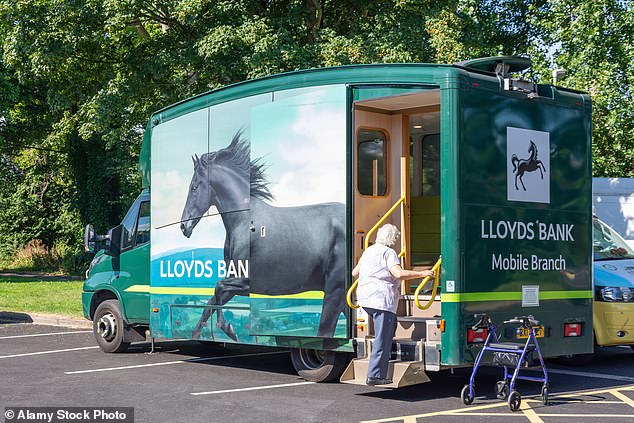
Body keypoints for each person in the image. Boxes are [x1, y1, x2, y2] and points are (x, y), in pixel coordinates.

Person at [351, 223, 434, 386]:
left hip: (365, 299)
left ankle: (381, 362)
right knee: (382, 338)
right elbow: (397, 273)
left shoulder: (369, 251)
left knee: (389, 328)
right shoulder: (389, 253)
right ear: (393, 239)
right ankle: (375, 375)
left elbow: (355, 273)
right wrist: (421, 273)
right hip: (382, 300)